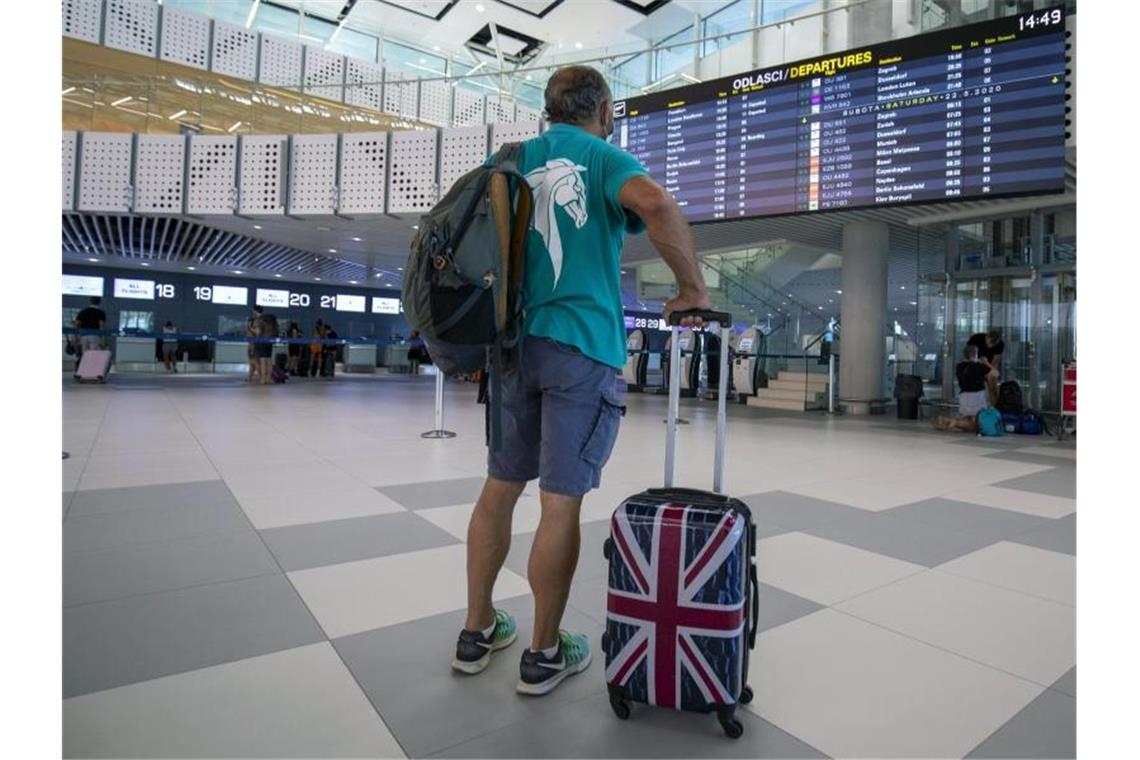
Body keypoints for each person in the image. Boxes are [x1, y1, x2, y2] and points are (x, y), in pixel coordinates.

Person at [451, 65, 711, 696]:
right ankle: (543, 653)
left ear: (548, 109)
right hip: (581, 348)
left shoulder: (510, 158)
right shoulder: (601, 156)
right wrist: (691, 289)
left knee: (499, 489)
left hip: (513, 347)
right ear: (607, 111)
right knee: (559, 500)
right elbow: (656, 203)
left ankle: (477, 629)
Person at [934, 344, 999, 432]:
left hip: (963, 397)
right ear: (975, 354)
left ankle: (950, 421)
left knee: (968, 421)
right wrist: (986, 363)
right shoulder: (979, 367)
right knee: (978, 426)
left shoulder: (959, 366)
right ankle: (955, 422)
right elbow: (996, 373)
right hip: (977, 397)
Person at [966, 329, 1004, 402]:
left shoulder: (1000, 345)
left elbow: (995, 362)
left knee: (993, 383)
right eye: (989, 343)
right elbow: (968, 356)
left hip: (988, 364)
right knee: (975, 384)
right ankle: (974, 405)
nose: (991, 346)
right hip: (974, 364)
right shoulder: (976, 339)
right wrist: (978, 361)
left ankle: (995, 407)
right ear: (986, 337)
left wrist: (991, 370)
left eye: (993, 344)